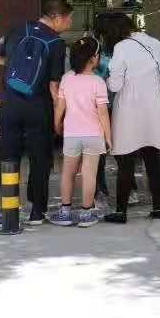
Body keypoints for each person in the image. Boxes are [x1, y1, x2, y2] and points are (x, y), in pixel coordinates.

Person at [0, 0, 73, 226]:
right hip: (39, 107)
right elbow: (54, 87)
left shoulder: (16, 28)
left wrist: (15, 64)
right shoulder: (56, 43)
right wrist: (59, 116)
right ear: (56, 17)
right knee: (40, 159)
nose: (69, 23)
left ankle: (9, 211)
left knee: (9, 156)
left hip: (10, 104)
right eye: (68, 19)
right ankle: (37, 211)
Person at [103, 15, 160, 224]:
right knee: (153, 159)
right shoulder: (155, 43)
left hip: (128, 111)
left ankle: (120, 212)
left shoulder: (121, 47)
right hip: (152, 110)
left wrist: (105, 79)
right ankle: (158, 207)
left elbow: (115, 85)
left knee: (126, 162)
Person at [49, 37, 112, 227]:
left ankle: (65, 212)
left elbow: (60, 107)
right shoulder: (98, 82)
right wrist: (108, 138)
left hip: (71, 134)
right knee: (89, 175)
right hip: (93, 135)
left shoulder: (67, 78)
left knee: (68, 173)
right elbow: (103, 113)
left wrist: (57, 125)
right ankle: (86, 214)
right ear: (94, 58)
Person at [92, 12, 139, 206]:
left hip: (122, 105)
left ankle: (129, 188)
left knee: (124, 150)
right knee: (99, 151)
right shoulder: (97, 50)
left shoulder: (127, 50)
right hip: (100, 107)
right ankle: (99, 190)